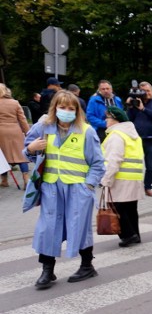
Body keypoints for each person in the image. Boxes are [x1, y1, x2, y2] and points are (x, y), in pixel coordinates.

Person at [23, 89, 105, 288]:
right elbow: (27, 151)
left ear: (77, 110)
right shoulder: (43, 127)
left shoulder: (86, 131)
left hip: (78, 188)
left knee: (79, 226)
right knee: (48, 227)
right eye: (62, 107)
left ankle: (87, 265)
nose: (66, 111)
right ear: (55, 108)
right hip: (51, 186)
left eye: (71, 108)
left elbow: (98, 163)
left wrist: (88, 185)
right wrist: (30, 149)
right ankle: (47, 271)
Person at [100, 106, 144, 246]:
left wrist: (106, 179)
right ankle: (135, 234)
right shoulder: (133, 135)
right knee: (130, 208)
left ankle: (128, 235)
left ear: (115, 120)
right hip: (134, 177)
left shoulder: (116, 136)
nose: (106, 121)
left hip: (120, 177)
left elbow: (114, 160)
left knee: (116, 207)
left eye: (107, 118)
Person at [127, 81, 152, 197]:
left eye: (149, 91)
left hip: (151, 139)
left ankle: (147, 187)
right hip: (136, 138)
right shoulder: (136, 103)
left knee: (150, 165)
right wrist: (129, 106)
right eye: (144, 91)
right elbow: (128, 119)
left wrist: (143, 109)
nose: (147, 93)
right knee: (133, 164)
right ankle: (133, 186)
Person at [0, 84, 30, 187]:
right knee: (21, 155)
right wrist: (28, 133)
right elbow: (22, 119)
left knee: (2, 158)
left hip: (1, 132)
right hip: (15, 131)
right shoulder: (15, 103)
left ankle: (4, 180)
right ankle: (26, 178)